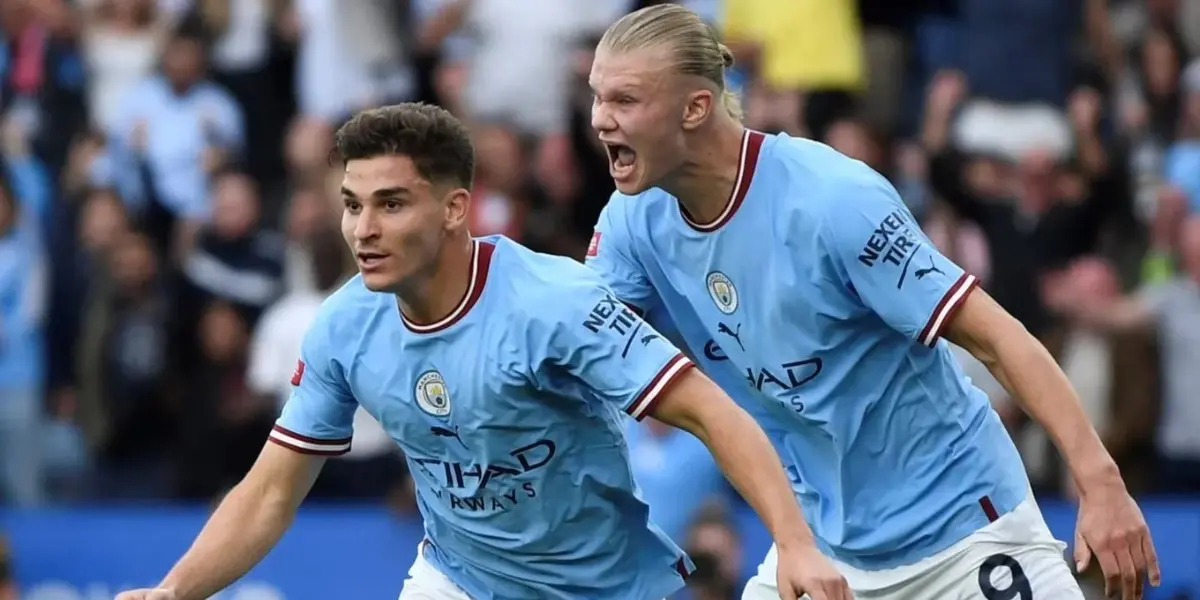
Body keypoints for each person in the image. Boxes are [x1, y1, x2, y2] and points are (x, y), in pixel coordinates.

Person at [115, 103, 845, 600]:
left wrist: (796, 545)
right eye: (351, 203)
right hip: (458, 580)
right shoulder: (342, 327)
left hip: (604, 586)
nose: (363, 228)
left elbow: (714, 414)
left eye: (391, 203)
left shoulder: (553, 304)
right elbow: (271, 490)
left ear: (455, 208)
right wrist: (176, 590)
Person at [584, 5, 1160, 600]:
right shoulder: (632, 220)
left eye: (624, 100)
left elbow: (997, 338)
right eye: (597, 97)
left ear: (695, 108)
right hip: (824, 548)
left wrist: (1101, 483)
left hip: (963, 534)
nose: (600, 120)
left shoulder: (833, 199)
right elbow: (573, 347)